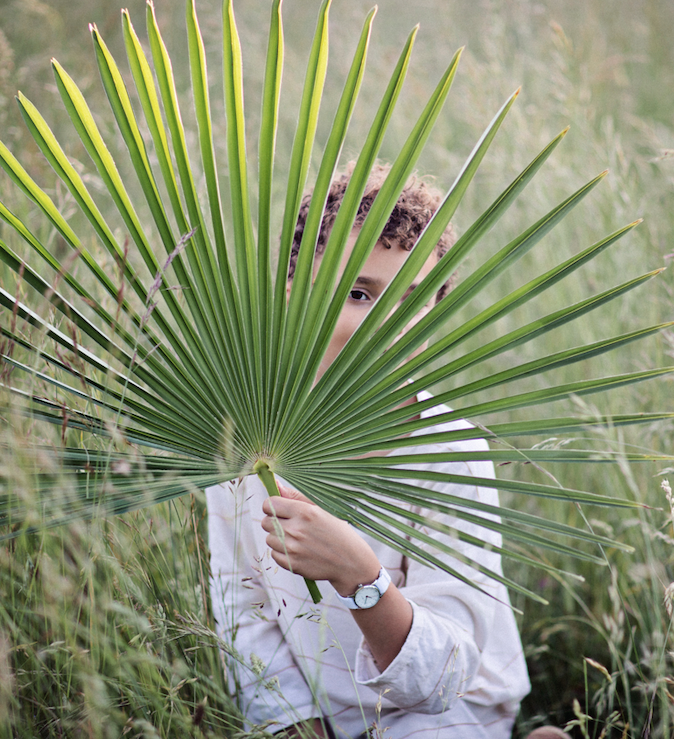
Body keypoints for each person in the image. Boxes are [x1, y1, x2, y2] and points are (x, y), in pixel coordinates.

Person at [206, 165, 531, 738]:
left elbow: (446, 677)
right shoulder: (243, 435)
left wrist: (358, 574)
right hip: (322, 713)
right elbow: (244, 608)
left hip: (447, 709)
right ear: (293, 294)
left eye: (411, 303)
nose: (385, 325)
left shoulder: (447, 448)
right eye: (359, 294)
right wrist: (292, 724)